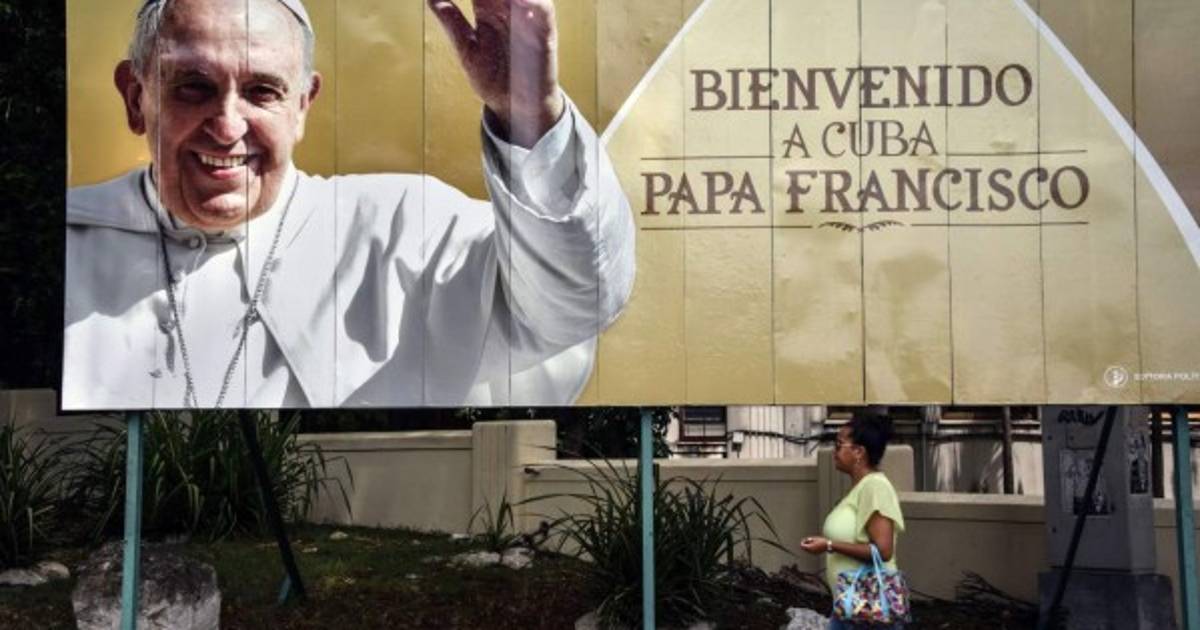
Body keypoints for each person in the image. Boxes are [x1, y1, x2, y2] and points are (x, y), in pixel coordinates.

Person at [63, 0, 635, 409]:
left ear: (302, 107)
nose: (228, 125)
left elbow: (577, 300)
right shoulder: (65, 242)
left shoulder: (407, 228)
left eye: (262, 91)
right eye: (194, 86)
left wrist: (528, 114)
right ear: (136, 98)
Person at [800, 411, 907, 629]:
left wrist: (829, 545)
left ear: (859, 452)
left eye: (839, 445)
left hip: (870, 610)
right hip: (850, 606)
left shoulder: (875, 487)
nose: (834, 451)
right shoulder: (860, 488)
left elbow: (883, 550)